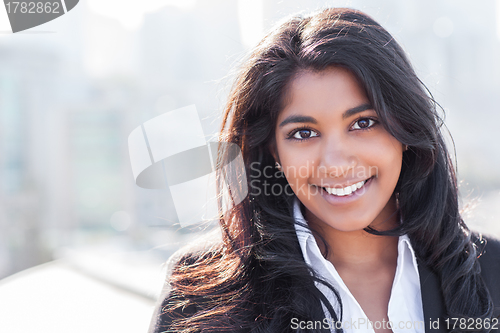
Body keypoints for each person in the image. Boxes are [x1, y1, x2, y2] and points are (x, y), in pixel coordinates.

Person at [148, 7, 500, 333]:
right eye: (304, 133)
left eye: (363, 123)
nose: (335, 162)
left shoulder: (493, 271)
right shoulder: (200, 293)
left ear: (405, 129)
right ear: (272, 151)